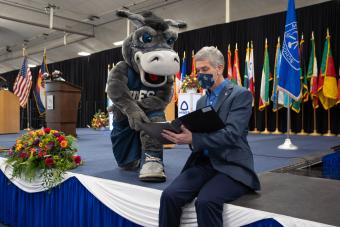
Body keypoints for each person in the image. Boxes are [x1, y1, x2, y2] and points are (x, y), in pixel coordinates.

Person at [159, 46, 260, 227]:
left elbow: (231, 135)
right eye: (198, 71)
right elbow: (198, 134)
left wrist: (193, 139)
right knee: (169, 195)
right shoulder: (201, 100)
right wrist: (183, 135)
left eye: (205, 70)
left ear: (219, 68)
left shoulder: (240, 95)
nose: (200, 75)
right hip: (205, 163)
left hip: (232, 165)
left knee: (206, 201)